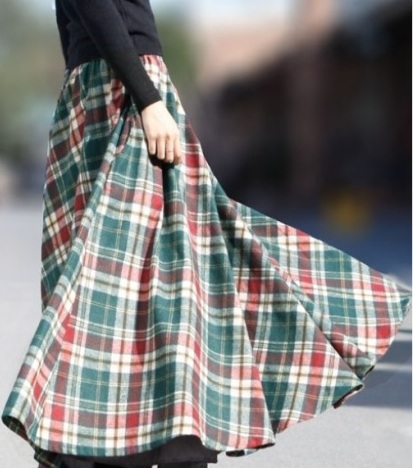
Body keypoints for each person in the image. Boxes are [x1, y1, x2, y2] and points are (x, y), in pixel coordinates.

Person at [1, 1, 411, 467]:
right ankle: (137, 440)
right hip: (118, 92)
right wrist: (146, 97)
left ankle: (165, 437)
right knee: (132, 275)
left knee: (169, 267)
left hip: (114, 86)